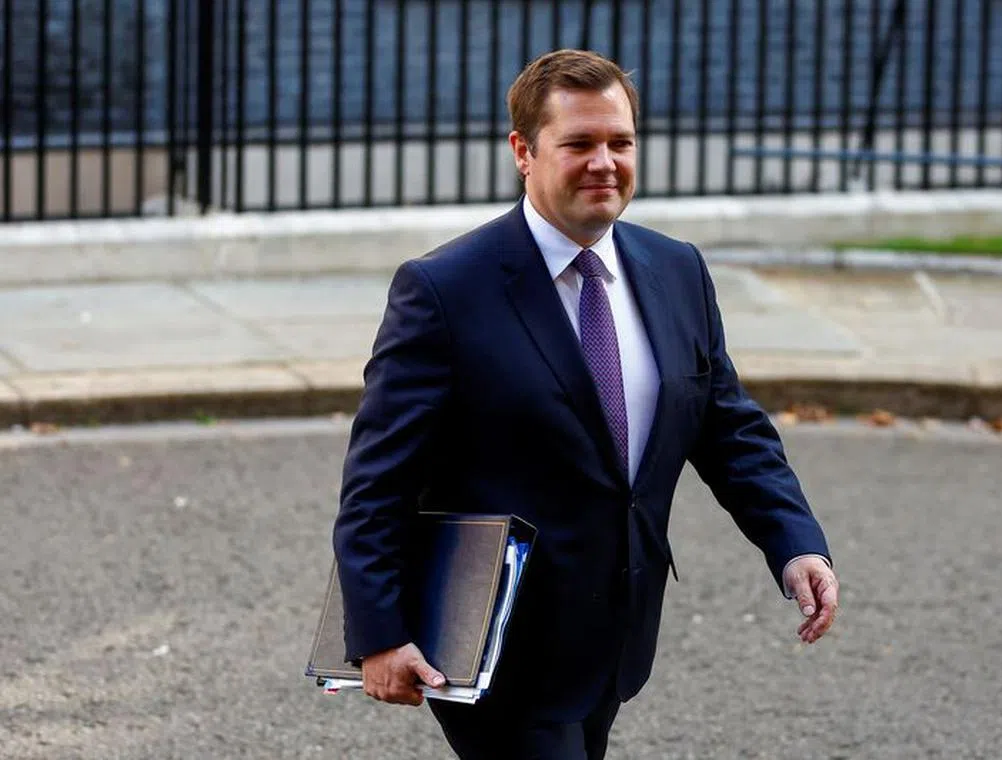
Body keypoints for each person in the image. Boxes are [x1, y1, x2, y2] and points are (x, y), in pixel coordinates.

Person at [333, 49, 838, 760]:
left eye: (620, 142)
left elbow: (727, 427)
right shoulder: (445, 290)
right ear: (523, 152)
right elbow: (377, 479)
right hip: (497, 646)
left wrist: (794, 543)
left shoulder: (676, 269)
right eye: (578, 144)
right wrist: (379, 631)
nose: (604, 161)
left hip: (616, 635)